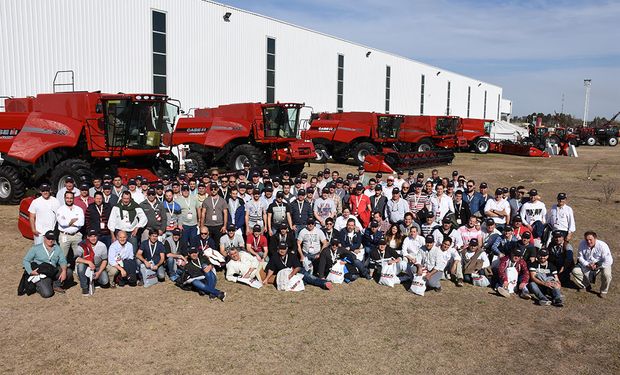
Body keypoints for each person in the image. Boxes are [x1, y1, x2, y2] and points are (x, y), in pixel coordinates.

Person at [260, 242, 333, 290]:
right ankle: (305, 281)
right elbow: (271, 269)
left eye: (284, 249)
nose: (282, 251)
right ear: (278, 249)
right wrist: (266, 279)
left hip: (296, 272)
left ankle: (324, 283)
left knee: (311, 278)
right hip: (285, 275)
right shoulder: (274, 257)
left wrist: (292, 274)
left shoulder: (291, 255)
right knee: (303, 282)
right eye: (280, 249)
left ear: (287, 249)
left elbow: (298, 267)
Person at [21, 230, 70, 297]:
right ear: (44, 238)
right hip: (42, 273)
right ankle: (37, 286)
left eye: (52, 239)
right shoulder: (35, 248)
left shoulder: (57, 248)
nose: (50, 240)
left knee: (68, 272)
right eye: (48, 238)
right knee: (47, 294)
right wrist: (30, 271)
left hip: (53, 270)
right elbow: (26, 260)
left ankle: (56, 285)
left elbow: (63, 261)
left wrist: (64, 271)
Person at [572, 231, 613, 298]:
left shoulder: (603, 246)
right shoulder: (582, 244)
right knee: (575, 271)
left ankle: (603, 291)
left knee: (607, 275)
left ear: (595, 238)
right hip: (588, 264)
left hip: (602, 263)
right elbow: (580, 257)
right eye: (586, 240)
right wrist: (587, 264)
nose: (588, 241)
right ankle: (586, 285)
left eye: (590, 239)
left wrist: (597, 265)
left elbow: (609, 261)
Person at [75, 229, 110, 295]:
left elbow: (105, 260)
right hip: (86, 266)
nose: (93, 238)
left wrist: (99, 272)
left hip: (97, 266)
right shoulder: (82, 244)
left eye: (95, 236)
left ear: (97, 237)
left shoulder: (102, 245)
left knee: (105, 281)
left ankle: (95, 280)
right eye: (91, 236)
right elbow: (76, 258)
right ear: (87, 237)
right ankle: (84, 287)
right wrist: (88, 262)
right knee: (80, 266)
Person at [56, 191, 85, 261]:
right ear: (64, 198)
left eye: (71, 198)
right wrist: (72, 221)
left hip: (77, 235)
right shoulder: (60, 209)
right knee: (63, 256)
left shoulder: (79, 209)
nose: (69, 200)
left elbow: (81, 222)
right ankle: (63, 271)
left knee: (79, 255)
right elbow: (62, 223)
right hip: (64, 236)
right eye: (67, 198)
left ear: (73, 198)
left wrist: (68, 222)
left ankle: (77, 271)